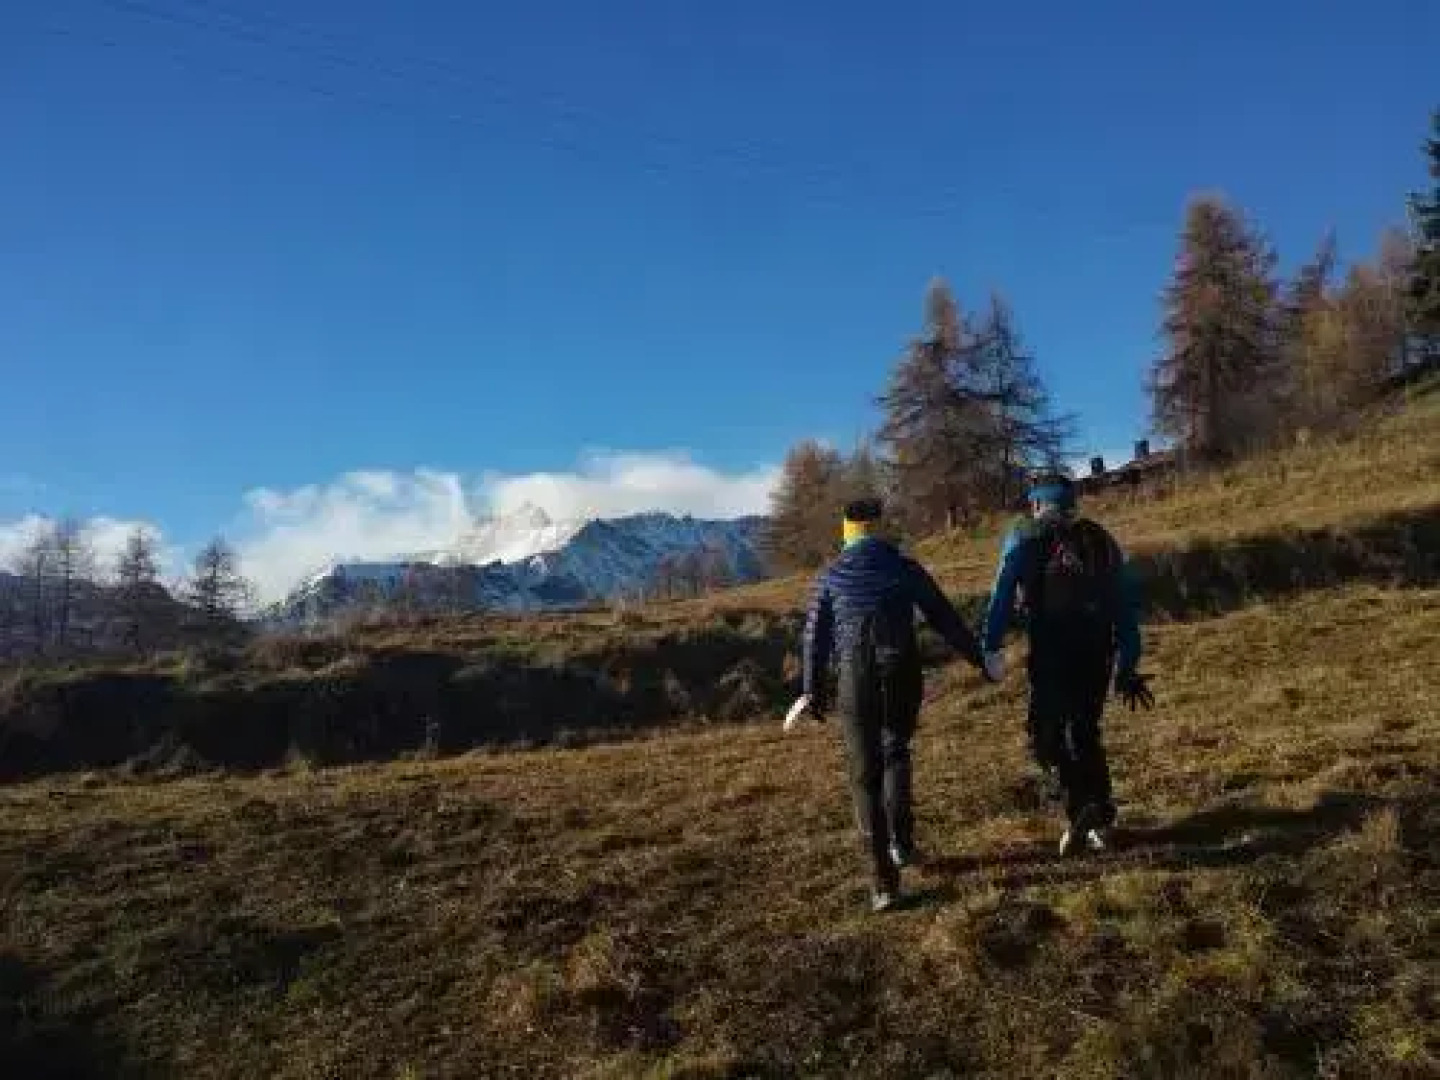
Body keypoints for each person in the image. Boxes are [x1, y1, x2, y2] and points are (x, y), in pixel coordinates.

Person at [793, 497, 997, 913]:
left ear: (847, 532)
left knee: (863, 774)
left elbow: (814, 638)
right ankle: (903, 845)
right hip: (902, 669)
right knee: (896, 754)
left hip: (854, 676)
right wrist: (980, 660)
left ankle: (883, 883)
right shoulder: (905, 568)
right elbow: (943, 617)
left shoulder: (830, 576)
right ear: (879, 527)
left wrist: (812, 690)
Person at [981, 472, 1154, 856]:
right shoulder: (1099, 538)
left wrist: (990, 646)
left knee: (1045, 735)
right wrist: (1128, 662)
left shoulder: (1024, 536)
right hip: (1098, 650)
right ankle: (1100, 822)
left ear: (1038, 502)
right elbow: (1123, 602)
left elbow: (1002, 593)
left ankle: (1081, 804)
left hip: (1051, 649)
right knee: (1086, 730)